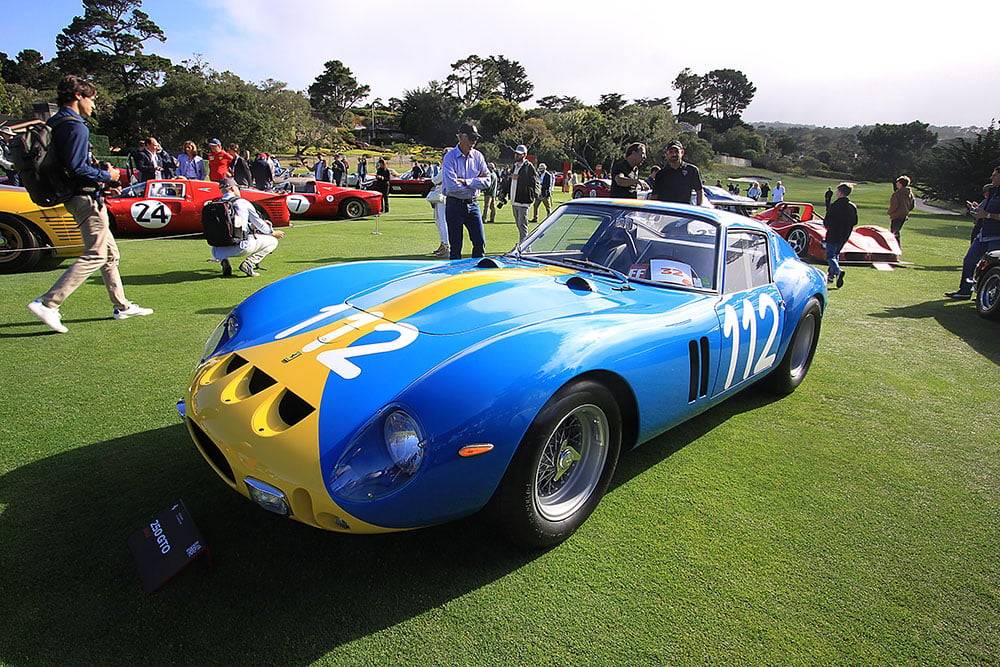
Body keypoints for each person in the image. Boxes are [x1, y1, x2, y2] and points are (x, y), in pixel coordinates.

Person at [27, 75, 153, 333]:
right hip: (84, 198)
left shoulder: (56, 122)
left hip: (74, 196)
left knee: (110, 255)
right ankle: (49, 303)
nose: (93, 106)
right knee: (96, 254)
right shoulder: (75, 126)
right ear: (78, 97)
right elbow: (76, 168)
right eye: (91, 99)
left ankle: (122, 306)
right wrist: (109, 176)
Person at [211, 177, 285, 277]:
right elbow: (261, 225)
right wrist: (273, 232)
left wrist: (251, 226)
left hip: (217, 251)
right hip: (240, 247)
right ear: (233, 188)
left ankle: (225, 263)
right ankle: (249, 264)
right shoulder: (242, 202)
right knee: (273, 241)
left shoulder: (215, 204)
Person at [945, 168, 1000, 299]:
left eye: (995, 176)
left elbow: (988, 214)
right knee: (969, 260)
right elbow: (984, 209)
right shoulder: (993, 190)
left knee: (992, 268)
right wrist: (976, 210)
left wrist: (987, 215)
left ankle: (987, 297)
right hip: (984, 234)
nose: (991, 178)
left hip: (997, 237)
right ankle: (964, 291)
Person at [442, 123, 491, 259]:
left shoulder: (478, 156)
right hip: (454, 205)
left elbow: (488, 181)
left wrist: (466, 181)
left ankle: (476, 275)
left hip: (473, 204)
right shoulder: (450, 157)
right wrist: (476, 182)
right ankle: (455, 276)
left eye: (475, 139)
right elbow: (452, 186)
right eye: (471, 138)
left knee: (480, 243)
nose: (473, 142)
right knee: (456, 246)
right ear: (461, 137)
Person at [499, 144, 539, 242]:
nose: (517, 156)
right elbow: (509, 181)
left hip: (524, 201)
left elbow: (535, 182)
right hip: (514, 200)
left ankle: (524, 248)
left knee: (522, 226)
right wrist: (503, 194)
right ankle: (525, 246)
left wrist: (535, 195)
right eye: (516, 154)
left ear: (524, 155)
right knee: (519, 225)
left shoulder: (528, 167)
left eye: (519, 154)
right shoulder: (514, 166)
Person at [823, 183, 857, 288]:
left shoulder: (835, 206)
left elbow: (827, 222)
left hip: (834, 233)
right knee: (836, 254)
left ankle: (838, 271)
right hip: (844, 234)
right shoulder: (852, 206)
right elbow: (854, 221)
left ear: (840, 192)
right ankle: (831, 276)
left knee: (830, 255)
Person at [651, 139, 703, 205]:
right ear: (667, 154)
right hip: (665, 211)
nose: (674, 154)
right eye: (671, 152)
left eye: (676, 151)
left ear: (682, 152)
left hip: (683, 212)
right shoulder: (661, 174)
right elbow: (654, 196)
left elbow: (699, 191)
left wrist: (698, 208)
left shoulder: (692, 171)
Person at [887, 175, 915, 244]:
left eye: (898, 182)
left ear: (900, 183)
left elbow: (894, 205)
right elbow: (912, 205)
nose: (896, 184)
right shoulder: (910, 194)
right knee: (896, 231)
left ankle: (895, 247)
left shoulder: (897, 194)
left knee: (894, 232)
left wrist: (890, 212)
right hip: (904, 215)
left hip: (896, 215)